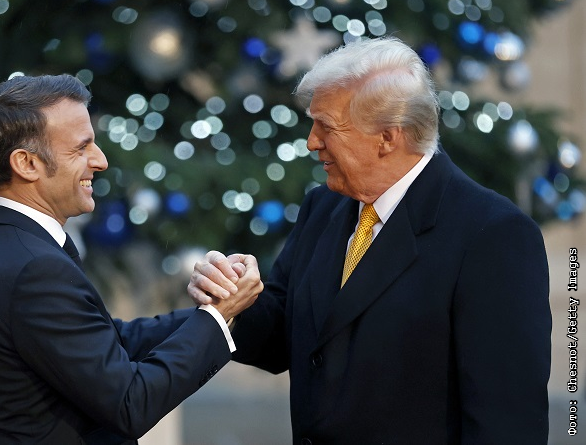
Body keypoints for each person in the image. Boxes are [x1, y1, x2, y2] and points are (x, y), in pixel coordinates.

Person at [189, 37, 551, 444]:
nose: (311, 141)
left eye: (327, 126)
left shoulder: (494, 235)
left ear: (388, 138)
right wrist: (233, 298)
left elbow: (508, 422)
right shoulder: (322, 206)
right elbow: (282, 336)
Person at [0, 74, 263, 445]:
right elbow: (131, 403)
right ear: (27, 163)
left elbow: (105, 341)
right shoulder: (35, 267)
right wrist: (216, 318)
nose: (100, 161)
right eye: (81, 148)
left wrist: (218, 310)